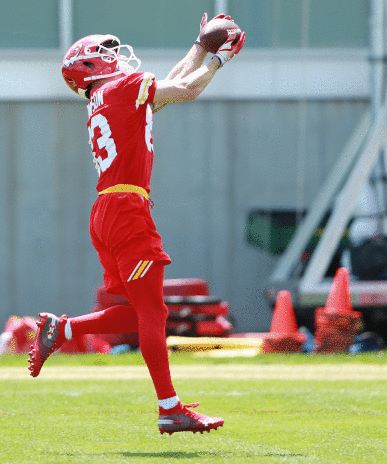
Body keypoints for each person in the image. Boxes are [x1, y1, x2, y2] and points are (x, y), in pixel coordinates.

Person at [28, 13, 245, 435]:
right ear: (91, 65)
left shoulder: (106, 95)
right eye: (107, 53)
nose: (118, 57)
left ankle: (64, 328)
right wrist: (220, 59)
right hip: (127, 209)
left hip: (106, 211)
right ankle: (170, 407)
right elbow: (186, 88)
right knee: (153, 310)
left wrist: (200, 47)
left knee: (130, 312)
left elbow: (166, 89)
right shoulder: (121, 88)